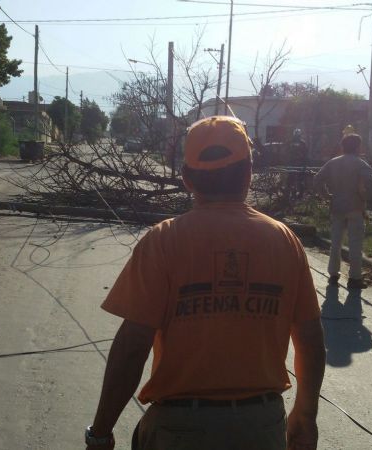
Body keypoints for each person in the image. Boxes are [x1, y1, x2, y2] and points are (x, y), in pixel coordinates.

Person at [86, 116, 325, 450]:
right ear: (249, 171)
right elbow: (311, 340)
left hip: (180, 430)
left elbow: (132, 347)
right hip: (262, 429)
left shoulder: (165, 240)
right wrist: (305, 414)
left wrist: (100, 431)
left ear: (187, 179)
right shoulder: (283, 240)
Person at [312, 133, 372, 290]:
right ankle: (354, 278)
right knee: (355, 244)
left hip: (337, 207)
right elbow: (369, 185)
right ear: (358, 147)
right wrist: (364, 197)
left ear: (342, 146)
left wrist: (326, 196)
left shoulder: (332, 163)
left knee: (335, 242)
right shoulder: (362, 164)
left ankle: (333, 274)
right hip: (355, 207)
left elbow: (317, 180)